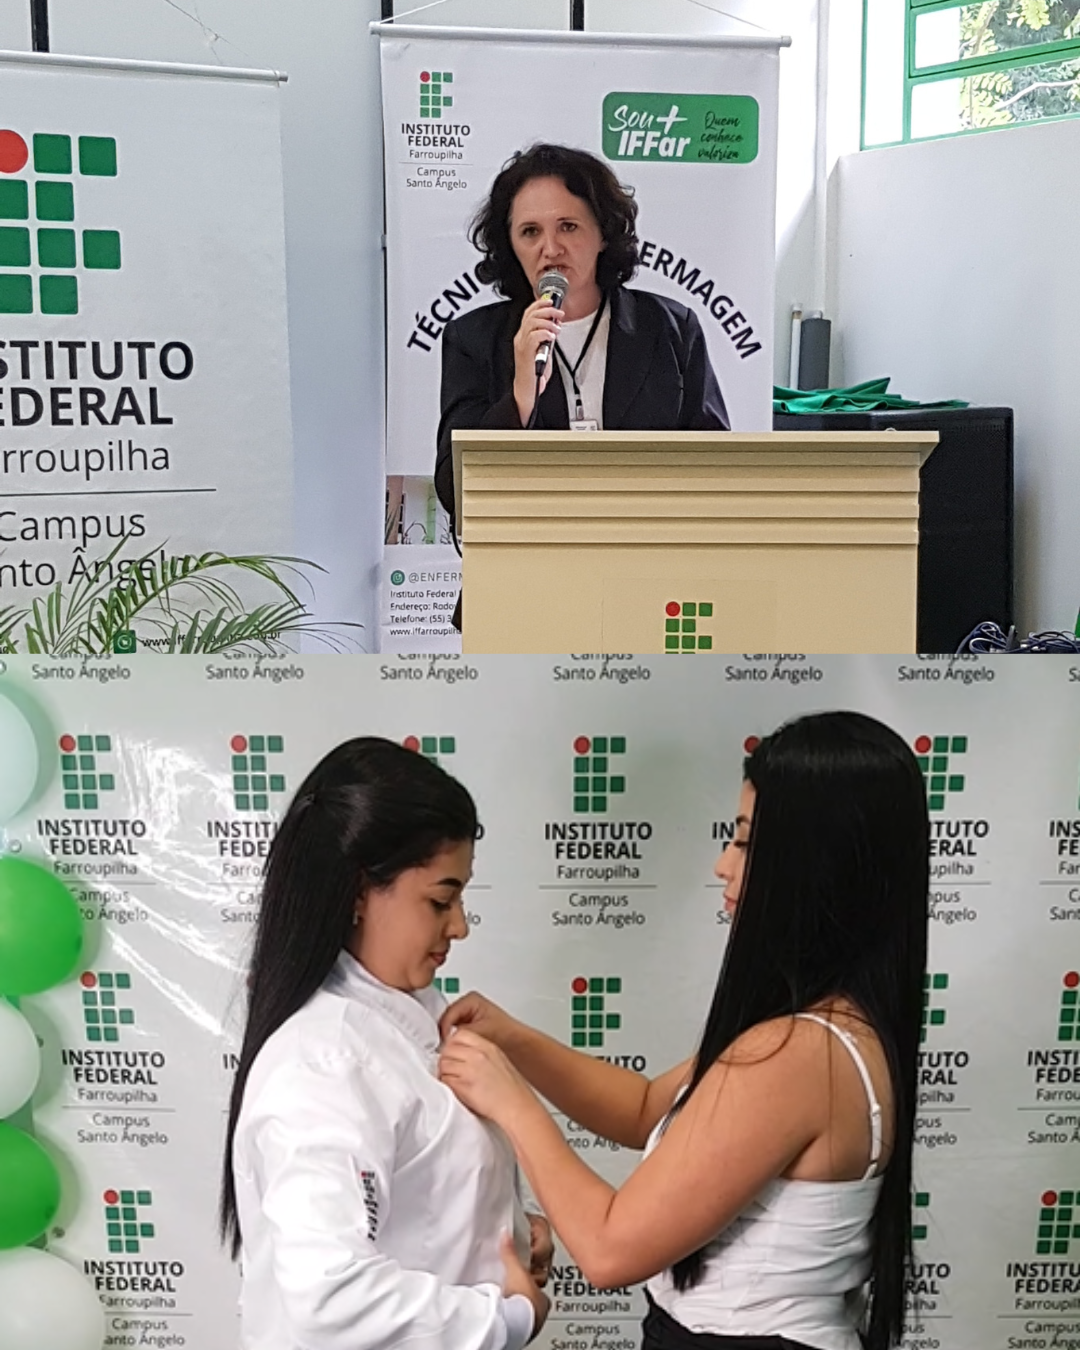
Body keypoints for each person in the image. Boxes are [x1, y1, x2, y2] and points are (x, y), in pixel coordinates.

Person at [438, 711, 930, 1350]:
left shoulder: (799, 1054)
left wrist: (511, 1104)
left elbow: (609, 1249)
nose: (723, 865)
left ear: (813, 863)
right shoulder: (824, 1030)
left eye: (745, 843)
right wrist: (514, 1040)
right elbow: (648, 1109)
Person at [219, 737, 551, 1350]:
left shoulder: (409, 1017)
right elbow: (330, 1293)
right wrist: (507, 1319)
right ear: (356, 893)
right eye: (441, 900)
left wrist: (503, 1229)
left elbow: (419, 1196)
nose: (460, 925)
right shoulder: (326, 1063)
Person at [436, 143, 730, 624]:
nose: (550, 248)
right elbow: (456, 490)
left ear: (603, 234)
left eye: (568, 227)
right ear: (510, 245)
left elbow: (716, 470)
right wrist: (521, 394)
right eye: (530, 231)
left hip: (654, 591)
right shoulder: (474, 339)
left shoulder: (670, 329)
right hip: (521, 593)